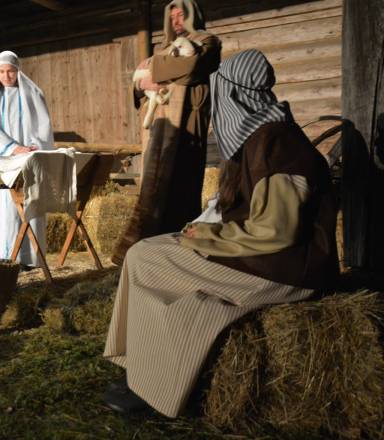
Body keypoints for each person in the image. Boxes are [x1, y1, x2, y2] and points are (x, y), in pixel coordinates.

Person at [102, 49, 339, 417]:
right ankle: (143, 369)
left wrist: (208, 239)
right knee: (149, 251)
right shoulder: (264, 137)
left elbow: (276, 233)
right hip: (264, 258)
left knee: (145, 258)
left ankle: (154, 387)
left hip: (283, 269)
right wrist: (206, 230)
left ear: (233, 95)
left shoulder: (278, 143)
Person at [112, 0, 221, 265]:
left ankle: (178, 253)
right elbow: (139, 81)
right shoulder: (162, 50)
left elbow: (191, 67)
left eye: (181, 15)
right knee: (153, 186)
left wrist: (154, 72)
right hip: (159, 126)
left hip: (187, 123)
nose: (176, 21)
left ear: (193, 15)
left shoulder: (207, 42)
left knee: (181, 184)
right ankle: (146, 251)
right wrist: (142, 84)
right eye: (172, 17)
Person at [0, 50, 54, 267]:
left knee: (25, 204)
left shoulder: (33, 93)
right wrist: (13, 147)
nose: (6, 76)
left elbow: (43, 125)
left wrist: (32, 147)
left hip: (26, 159)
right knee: (0, 207)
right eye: (1, 72)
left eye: (10, 71)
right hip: (0, 158)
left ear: (18, 70)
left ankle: (26, 257)